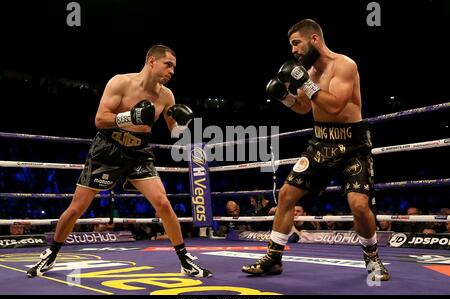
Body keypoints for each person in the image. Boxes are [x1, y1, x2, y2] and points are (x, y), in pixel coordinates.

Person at [27, 45, 212, 278]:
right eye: (169, 64)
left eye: (174, 67)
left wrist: (183, 123)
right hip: (108, 148)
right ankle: (51, 254)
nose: (172, 71)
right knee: (77, 208)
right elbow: (100, 119)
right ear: (151, 61)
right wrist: (130, 116)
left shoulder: (167, 96)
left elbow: (174, 132)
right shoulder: (121, 82)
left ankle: (185, 260)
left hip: (139, 151)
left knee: (163, 203)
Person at [242, 19, 389, 281]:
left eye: (296, 43)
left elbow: (334, 105)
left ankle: (373, 258)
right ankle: (273, 258)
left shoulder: (344, 65)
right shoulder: (307, 72)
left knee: (358, 205)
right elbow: (303, 107)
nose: (293, 50)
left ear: (314, 40)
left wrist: (304, 82)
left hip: (352, 145)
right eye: (291, 45)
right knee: (286, 195)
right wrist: (285, 97)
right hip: (321, 142)